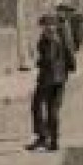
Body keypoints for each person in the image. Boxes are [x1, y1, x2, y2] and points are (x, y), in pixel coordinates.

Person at [26, 14, 77, 152]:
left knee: (36, 105)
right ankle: (53, 141)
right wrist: (69, 69)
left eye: (43, 25)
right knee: (52, 109)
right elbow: (69, 54)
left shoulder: (48, 39)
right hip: (60, 78)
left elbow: (48, 58)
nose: (42, 28)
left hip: (48, 78)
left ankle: (42, 137)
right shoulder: (62, 37)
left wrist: (37, 61)